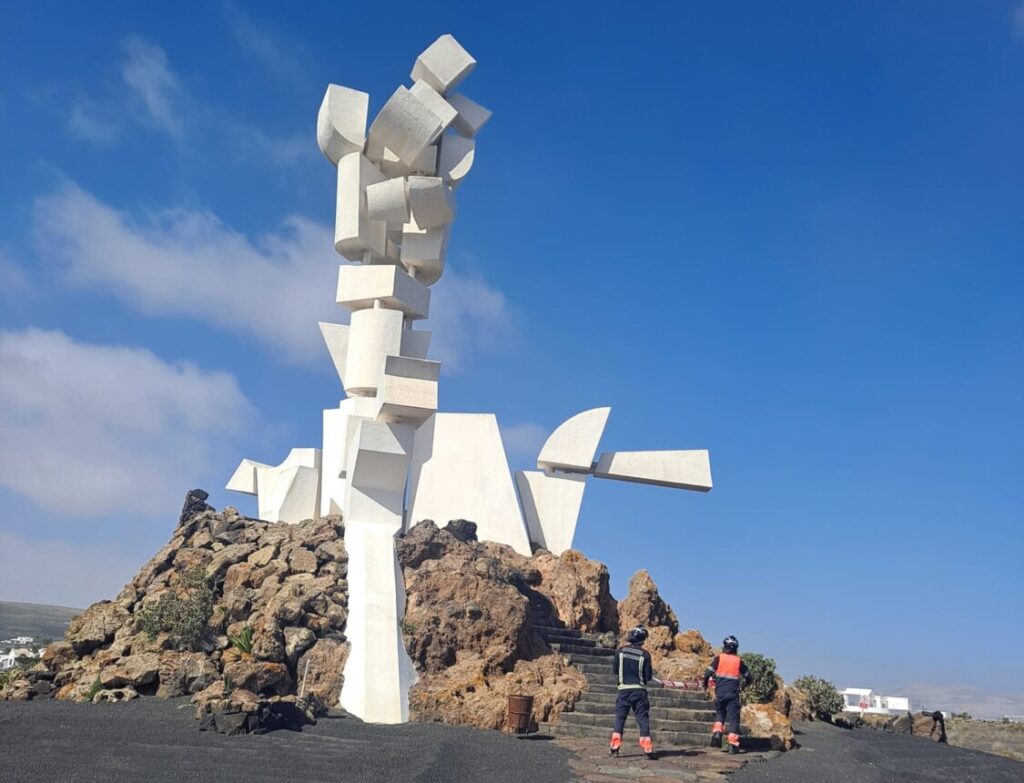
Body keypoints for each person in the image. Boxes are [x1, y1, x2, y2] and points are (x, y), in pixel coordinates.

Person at [609, 626, 657, 760]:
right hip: (639, 692)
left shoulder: (620, 652)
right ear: (643, 639)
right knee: (643, 719)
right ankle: (647, 750)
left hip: (623, 690)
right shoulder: (645, 655)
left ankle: (614, 749)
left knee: (620, 719)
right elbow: (648, 677)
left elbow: (615, 670)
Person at [701, 635, 752, 754]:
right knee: (734, 718)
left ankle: (717, 733)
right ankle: (733, 744)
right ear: (736, 648)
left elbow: (708, 672)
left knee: (720, 713)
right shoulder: (738, 661)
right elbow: (749, 677)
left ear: (724, 646)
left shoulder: (719, 658)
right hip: (733, 694)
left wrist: (705, 684)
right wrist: (743, 686)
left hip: (720, 693)